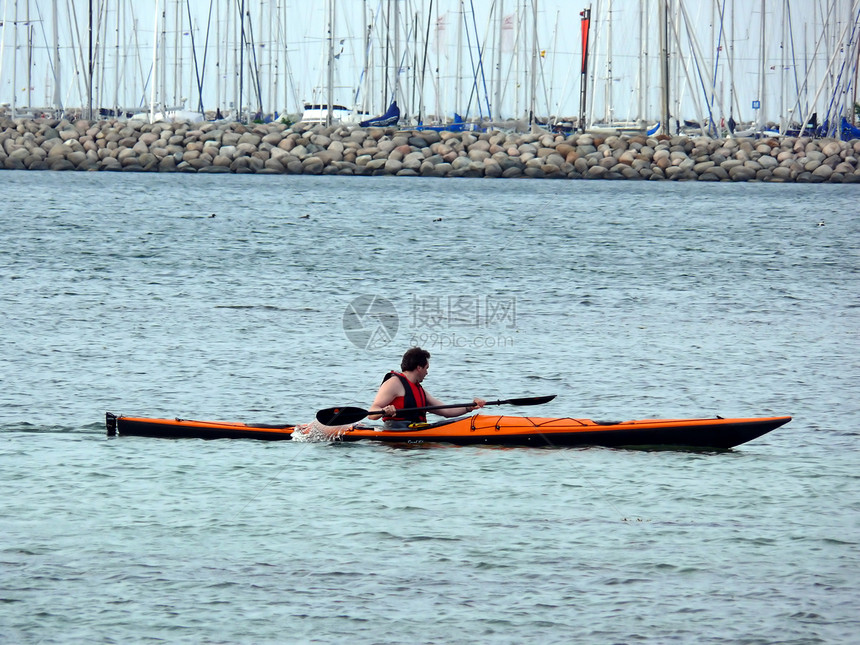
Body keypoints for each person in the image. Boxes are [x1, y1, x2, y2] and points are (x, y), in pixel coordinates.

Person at [368, 347, 485, 427]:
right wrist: (383, 411)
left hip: (416, 432)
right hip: (396, 437)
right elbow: (372, 413)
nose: (427, 372)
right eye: (426, 368)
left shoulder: (419, 390)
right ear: (419, 367)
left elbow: (446, 410)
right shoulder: (394, 383)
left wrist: (469, 407)